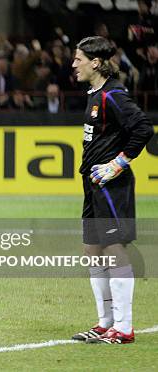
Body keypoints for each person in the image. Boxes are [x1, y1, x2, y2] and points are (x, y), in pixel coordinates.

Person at [70, 36, 154, 345]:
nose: (73, 64)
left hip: (111, 185)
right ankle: (106, 322)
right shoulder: (95, 94)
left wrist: (118, 163)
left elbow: (143, 128)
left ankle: (124, 326)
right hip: (93, 184)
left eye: (78, 59)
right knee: (92, 248)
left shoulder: (113, 95)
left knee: (113, 247)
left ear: (95, 62)